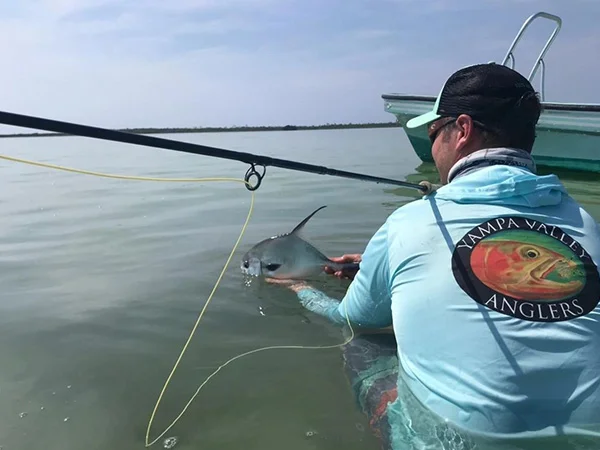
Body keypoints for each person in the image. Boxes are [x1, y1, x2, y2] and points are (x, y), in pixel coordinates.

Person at [267, 63, 600, 449]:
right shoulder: (585, 222)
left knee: (365, 343)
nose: (432, 144)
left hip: (459, 441)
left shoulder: (407, 223)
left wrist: (299, 288)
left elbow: (351, 319)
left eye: (433, 131)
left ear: (462, 130)